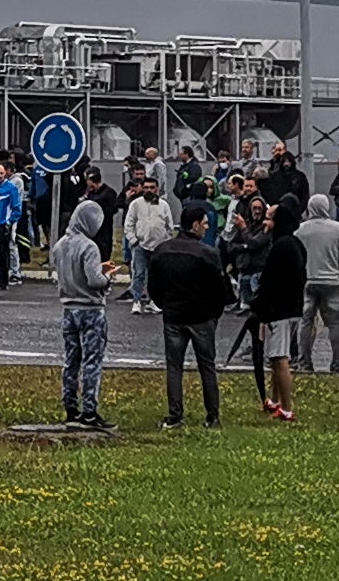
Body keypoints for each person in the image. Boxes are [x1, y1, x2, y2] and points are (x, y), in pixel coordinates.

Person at [151, 212, 233, 428]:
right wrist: (214, 314)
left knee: (174, 366)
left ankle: (175, 415)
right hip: (202, 317)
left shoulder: (162, 251)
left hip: (174, 315)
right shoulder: (208, 253)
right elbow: (220, 290)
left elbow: (154, 286)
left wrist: (164, 305)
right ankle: (213, 415)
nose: (206, 228)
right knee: (207, 366)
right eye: (205, 223)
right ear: (195, 225)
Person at [53, 200, 118, 430]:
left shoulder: (60, 245)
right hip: (91, 310)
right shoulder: (89, 246)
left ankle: (70, 406)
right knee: (92, 361)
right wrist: (107, 276)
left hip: (69, 309)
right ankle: (89, 411)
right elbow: (94, 280)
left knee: (71, 360)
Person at [252, 200, 307, 421]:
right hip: (293, 306)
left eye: (270, 218)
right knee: (276, 358)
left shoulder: (281, 246)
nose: (267, 221)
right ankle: (274, 400)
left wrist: (261, 305)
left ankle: (286, 407)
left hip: (280, 309)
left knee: (280, 356)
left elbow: (270, 280)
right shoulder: (295, 243)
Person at [295, 193, 339, 373]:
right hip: (331, 281)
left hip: (308, 280)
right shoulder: (337, 228)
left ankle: (304, 362)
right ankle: (337, 364)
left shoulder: (301, 229)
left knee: (306, 323)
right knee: (334, 324)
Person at [123, 177, 176, 315]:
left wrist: (166, 242)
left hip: (158, 247)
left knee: (156, 276)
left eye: (152, 187)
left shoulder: (164, 205)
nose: (149, 190)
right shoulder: (136, 204)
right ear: (142, 188)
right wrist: (133, 240)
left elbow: (169, 226)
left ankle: (153, 302)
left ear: (157, 189)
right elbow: (129, 224)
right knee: (138, 274)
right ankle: (137, 301)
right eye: (146, 187)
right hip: (140, 245)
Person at [0, 163, 24, 288]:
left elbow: (16, 207)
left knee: (4, 253)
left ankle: (3, 280)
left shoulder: (11, 188)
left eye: (1, 173)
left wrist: (10, 222)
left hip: (4, 225)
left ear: (5, 173)